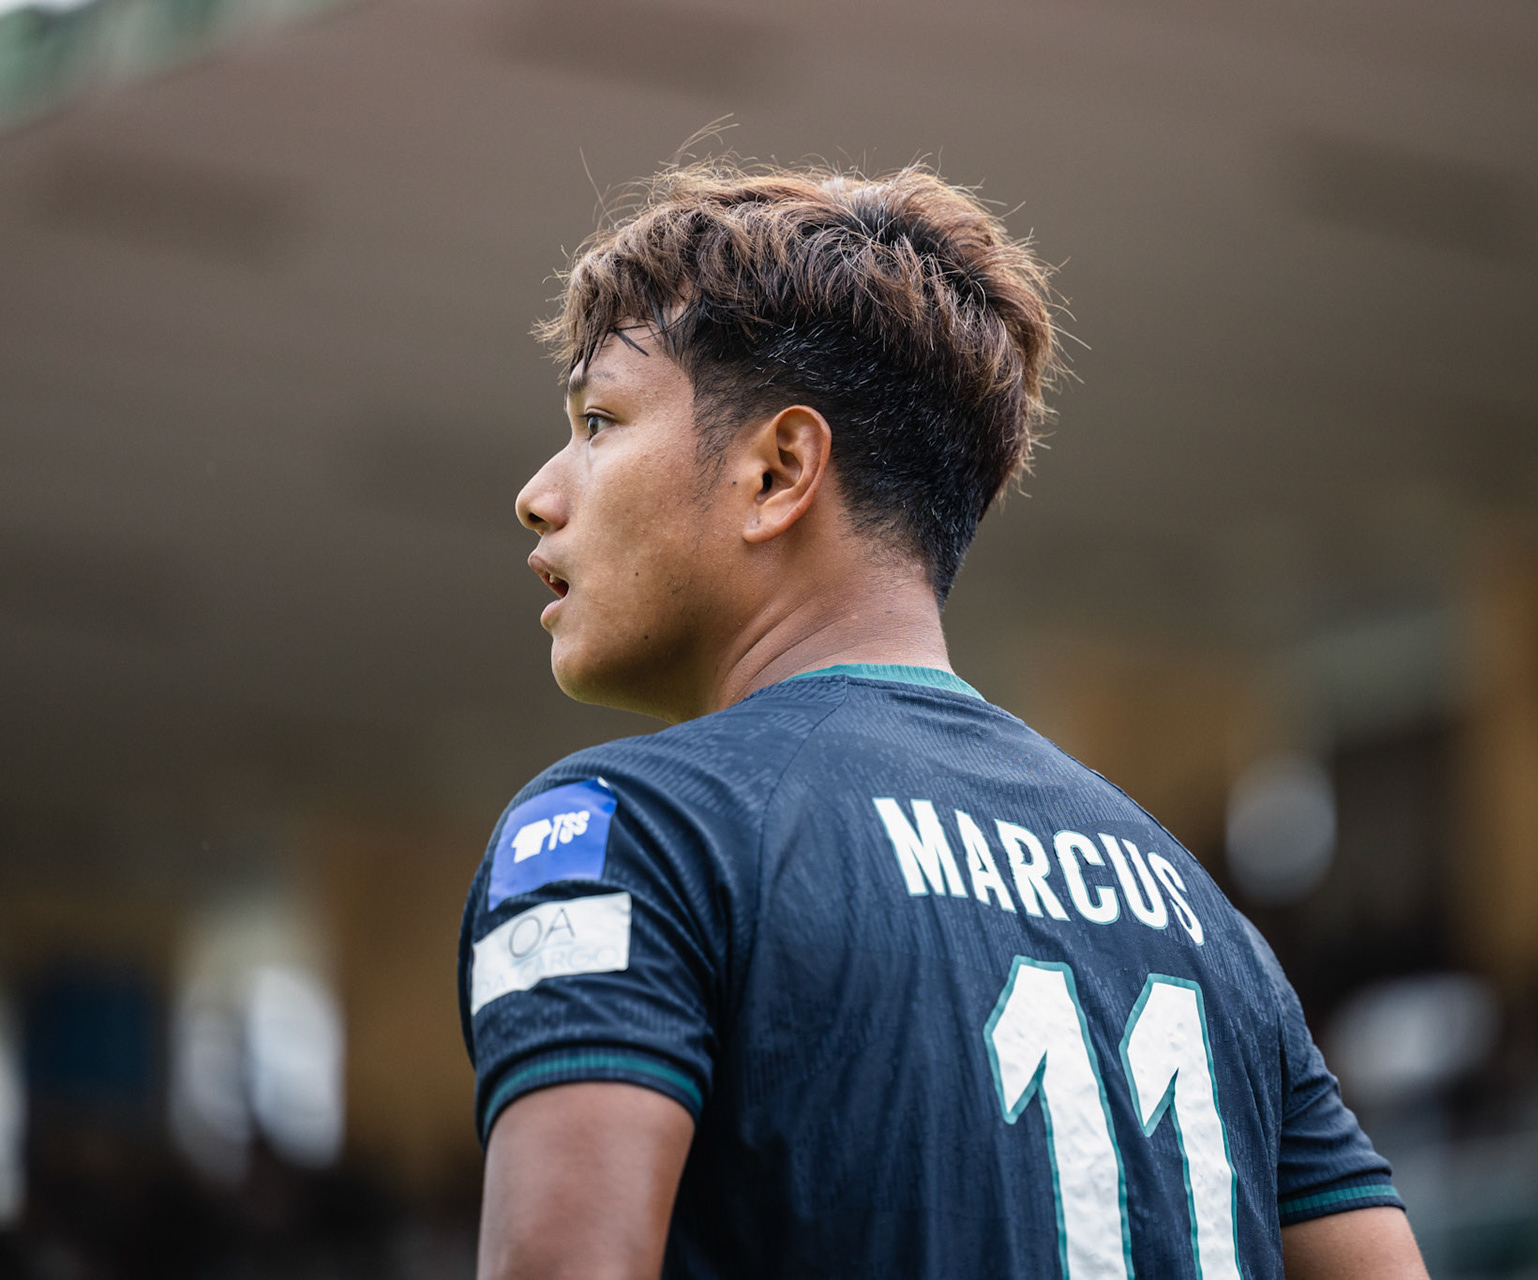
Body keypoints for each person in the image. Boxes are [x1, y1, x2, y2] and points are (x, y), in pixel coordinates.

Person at [459, 160, 1427, 1280]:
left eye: (598, 420)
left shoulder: (627, 831)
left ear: (778, 471)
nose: (539, 491)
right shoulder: (1201, 920)